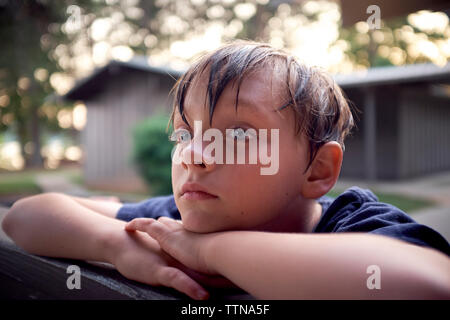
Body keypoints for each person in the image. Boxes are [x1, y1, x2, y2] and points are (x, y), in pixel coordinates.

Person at [3, 41, 450, 300]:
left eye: (237, 135)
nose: (196, 154)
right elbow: (24, 216)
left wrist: (210, 252)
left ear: (316, 170)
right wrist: (116, 245)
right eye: (183, 133)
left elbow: (426, 282)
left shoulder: (353, 225)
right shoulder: (177, 222)